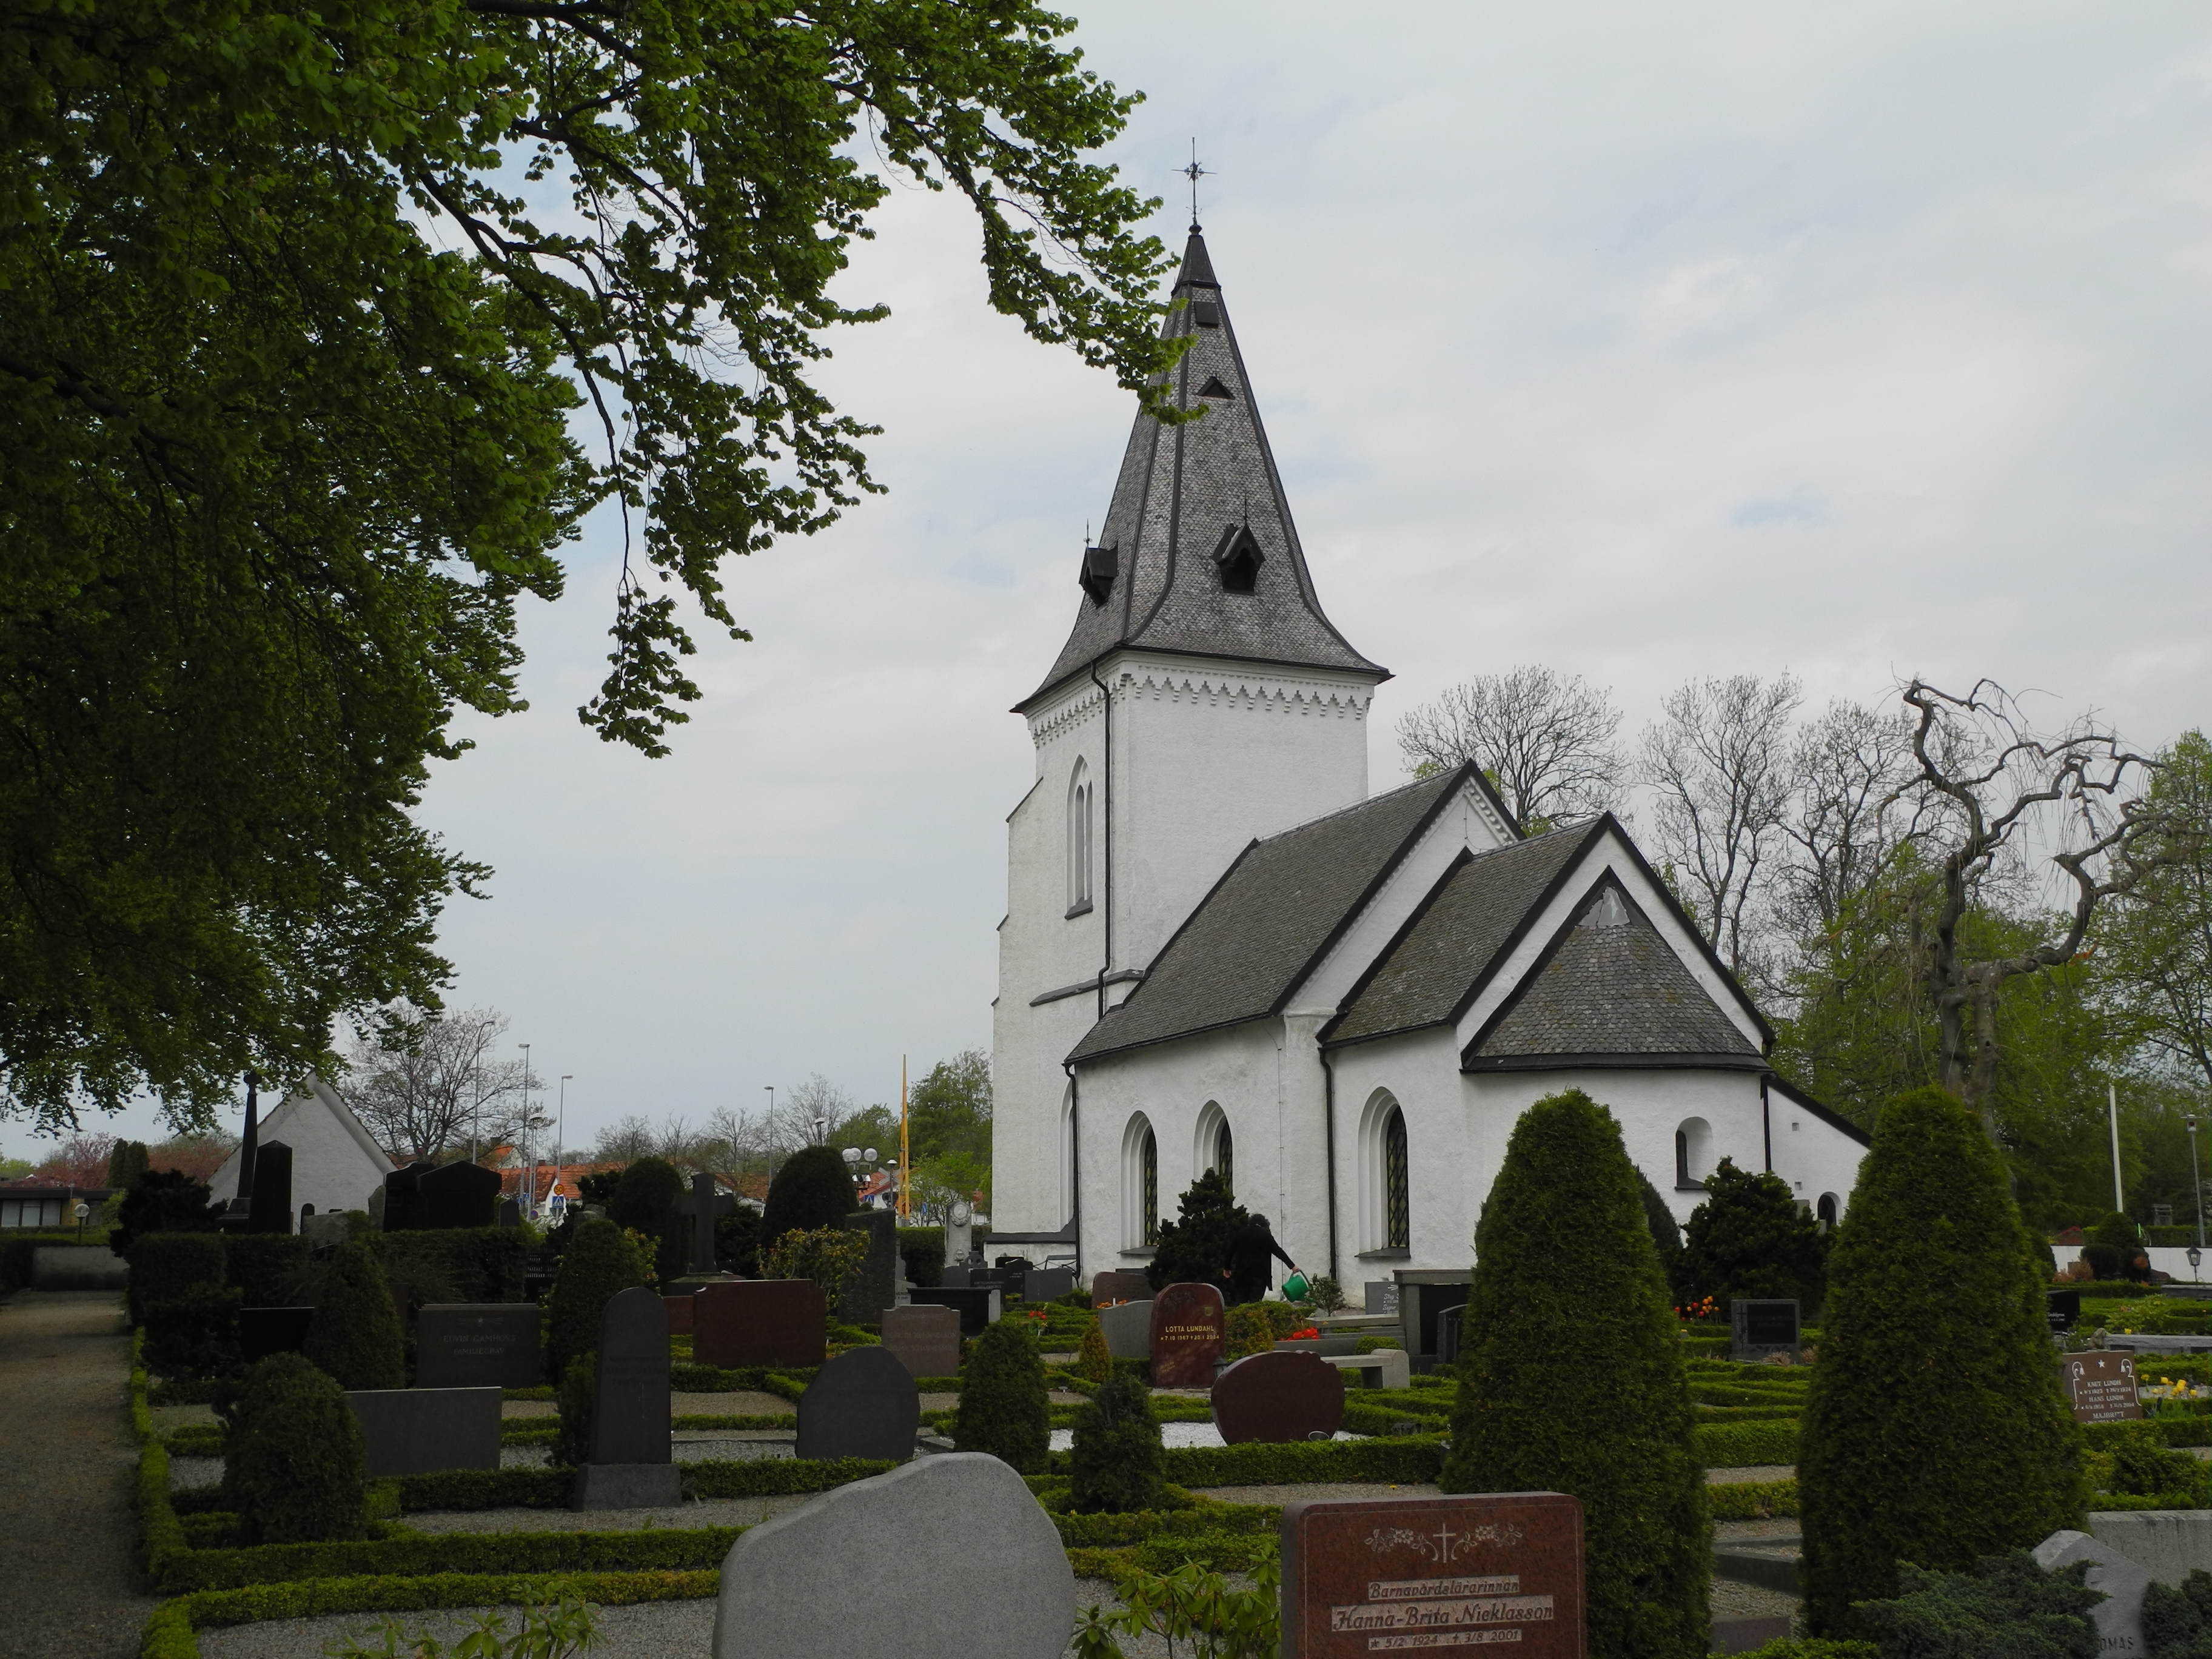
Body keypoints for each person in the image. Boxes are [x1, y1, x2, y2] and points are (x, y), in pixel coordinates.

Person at [1224, 1213, 1298, 1307]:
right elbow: (1278, 1251)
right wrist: (1292, 1266)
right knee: (1255, 1303)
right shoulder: (1266, 1235)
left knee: (1240, 1301)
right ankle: (1253, 1320)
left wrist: (1227, 1268)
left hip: (1242, 1274)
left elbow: (1230, 1251)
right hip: (1260, 1275)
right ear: (1263, 1224)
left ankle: (1238, 1320)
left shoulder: (1241, 1233)